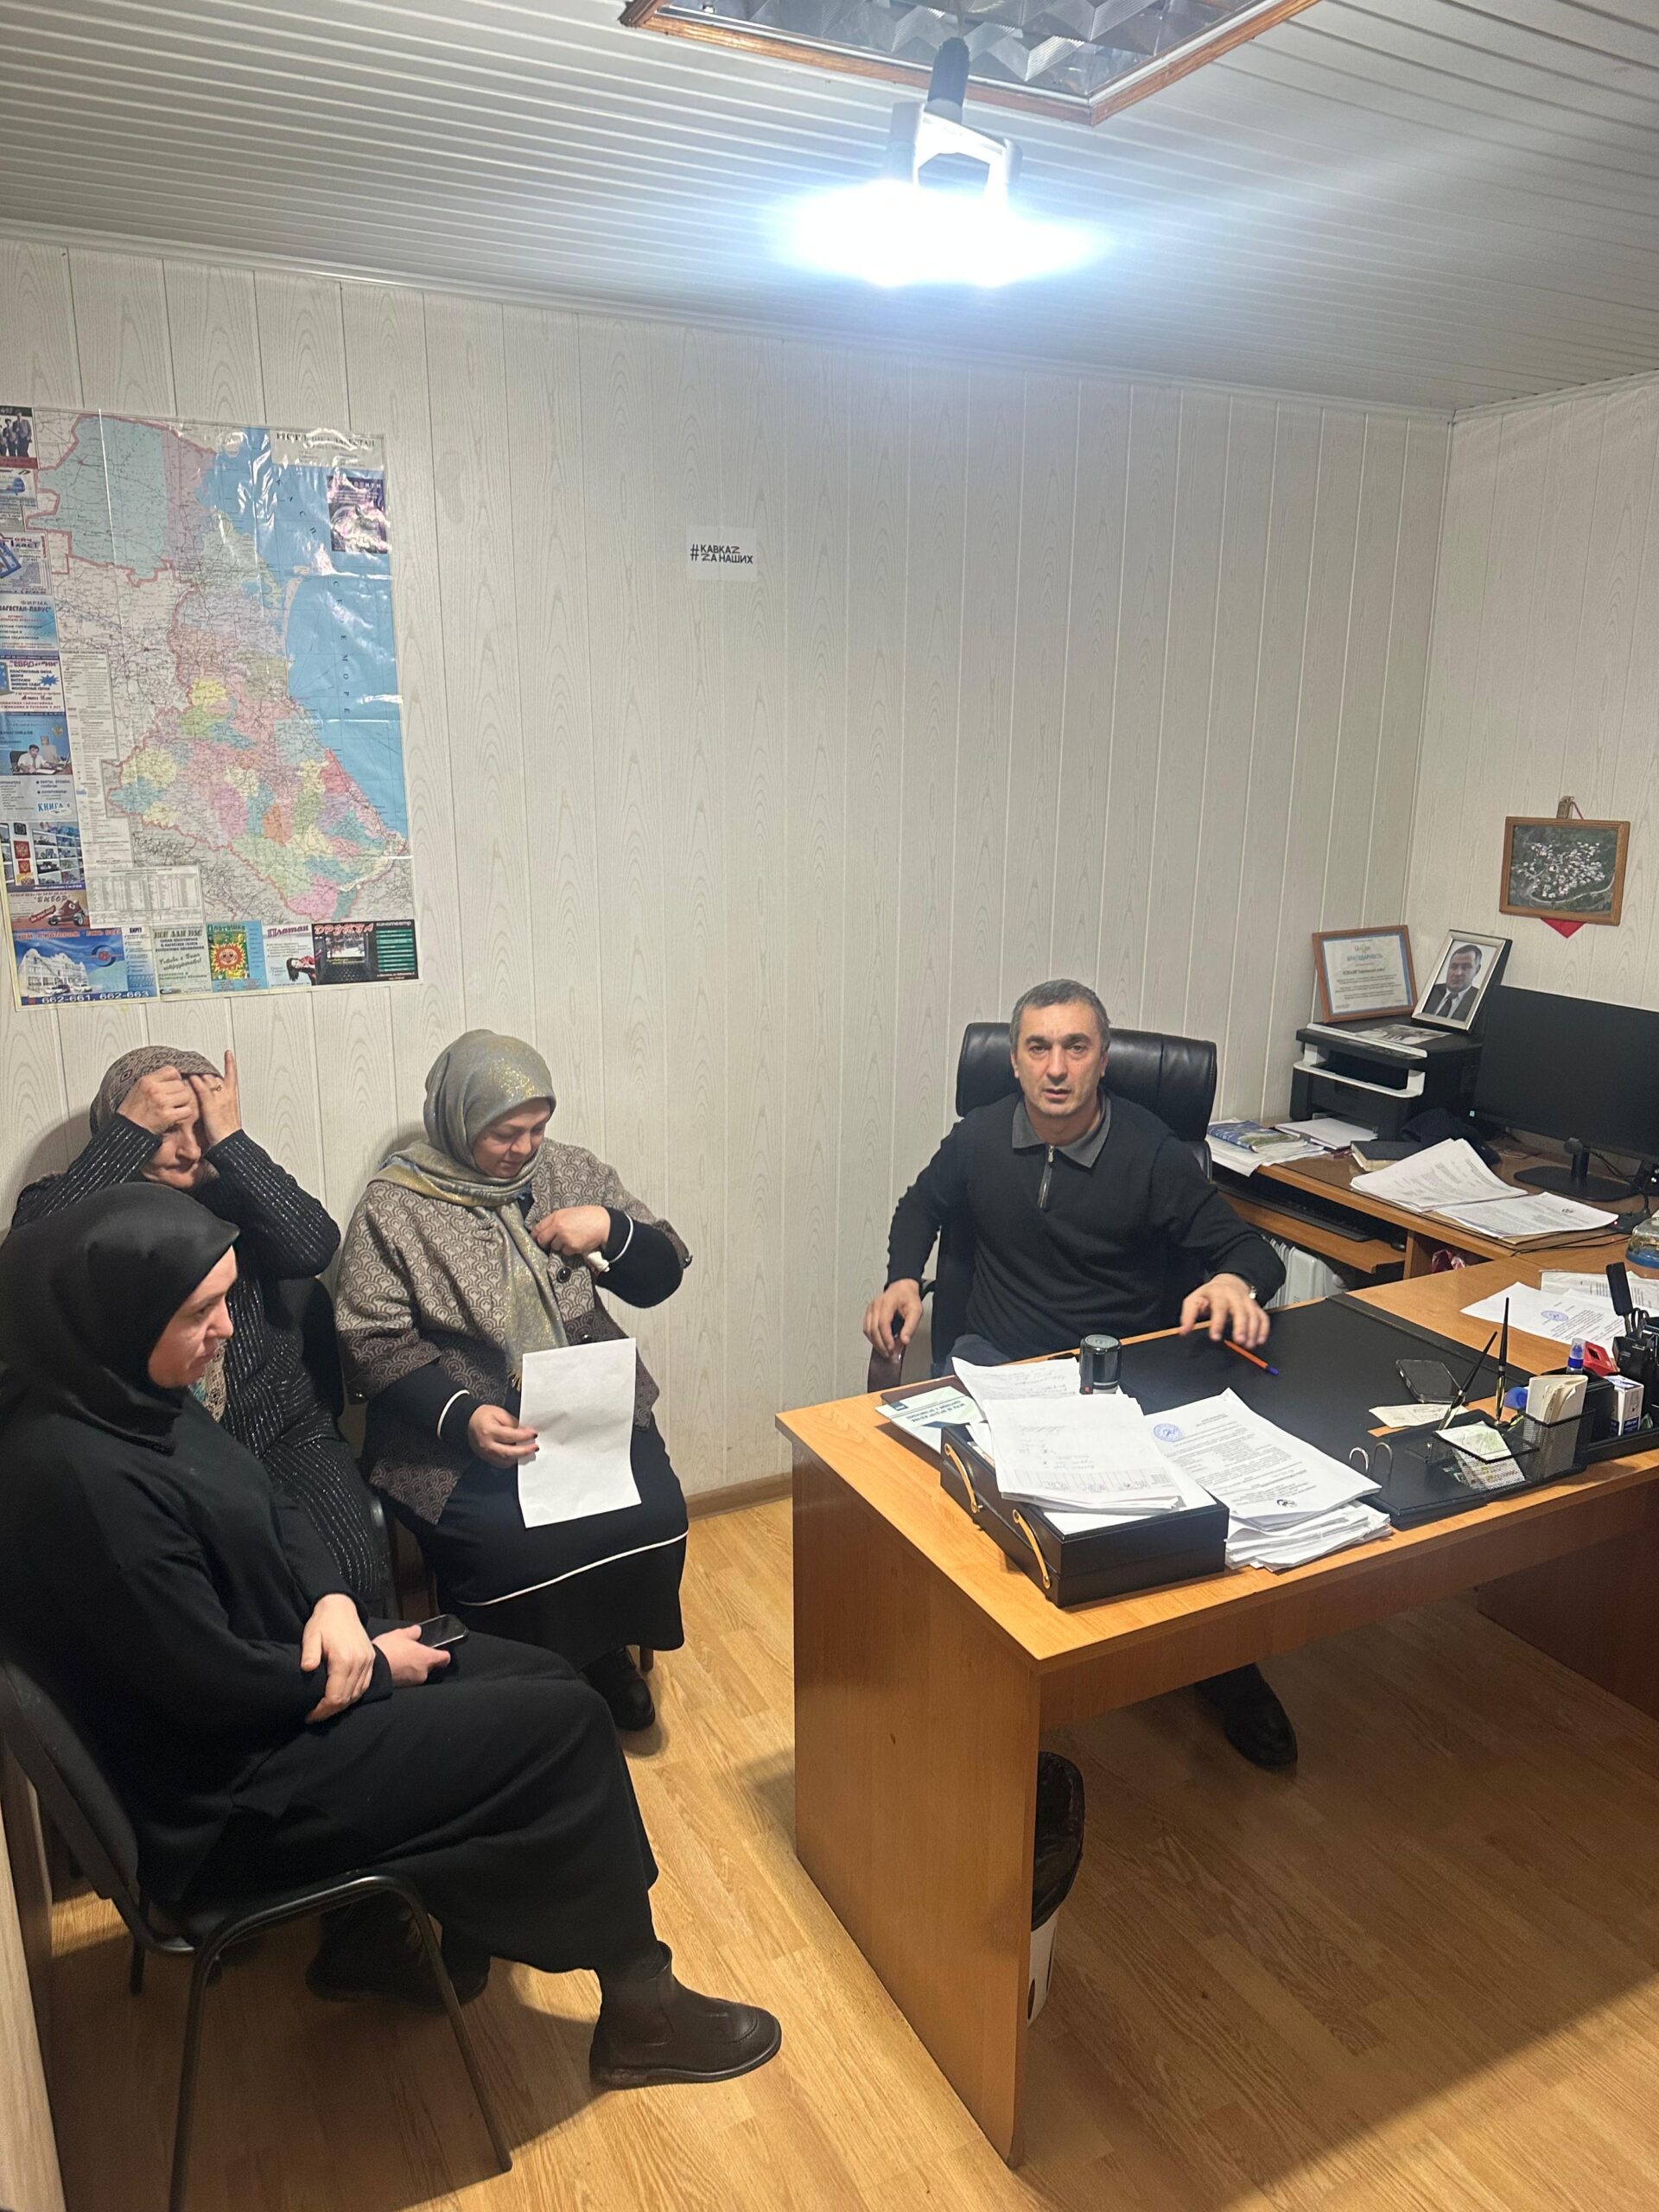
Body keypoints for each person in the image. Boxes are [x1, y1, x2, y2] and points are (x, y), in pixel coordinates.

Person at [0, 1187, 779, 2077]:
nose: (226, 1329)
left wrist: (333, 1601)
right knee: (563, 1730)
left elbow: (270, 1500)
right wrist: (375, 1667)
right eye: (199, 1311)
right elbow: (204, 1688)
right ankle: (643, 2013)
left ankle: (403, 1938)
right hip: (239, 1793)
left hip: (292, 1681)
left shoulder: (130, 1391)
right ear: (116, 1313)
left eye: (226, 1299)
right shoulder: (83, 1487)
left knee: (547, 1682)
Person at [862, 979, 1299, 1770]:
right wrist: (901, 1278)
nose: (1056, 1068)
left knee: (1194, 1514)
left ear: (1103, 1060)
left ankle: (1224, 1666)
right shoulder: (979, 1137)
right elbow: (918, 1207)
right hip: (1000, 1368)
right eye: (1038, 1048)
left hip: (1116, 1378)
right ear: (1014, 1062)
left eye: (1076, 1047)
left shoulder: (1152, 1152)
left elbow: (1246, 1250)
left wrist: (1234, 1283)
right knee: (979, 1530)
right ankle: (981, 1682)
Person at [336, 1032, 689, 1734]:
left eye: (538, 1128)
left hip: (580, 1407)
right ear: (458, 1120)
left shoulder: (569, 1173)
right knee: (518, 1546)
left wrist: (610, 1227)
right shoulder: (395, 1205)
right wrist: (463, 1415)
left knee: (654, 1514)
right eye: (504, 1133)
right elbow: (371, 1339)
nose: (524, 1149)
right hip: (455, 1425)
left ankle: (603, 1651)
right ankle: (522, 1679)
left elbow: (663, 1273)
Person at [10, 1044, 384, 1607]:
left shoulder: (234, 1187)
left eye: (201, 1128)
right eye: (166, 1131)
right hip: (149, 1445)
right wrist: (125, 1138)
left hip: (279, 1429)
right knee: (205, 1596)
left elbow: (312, 1245)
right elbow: (27, 1269)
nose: (189, 1150)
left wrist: (230, 1141)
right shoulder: (75, 1198)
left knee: (349, 1573)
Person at [1423, 943, 1483, 1023]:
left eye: (1466, 967)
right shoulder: (1431, 991)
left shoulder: (1480, 1001)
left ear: (1477, 970)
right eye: (1453, 966)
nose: (1458, 973)